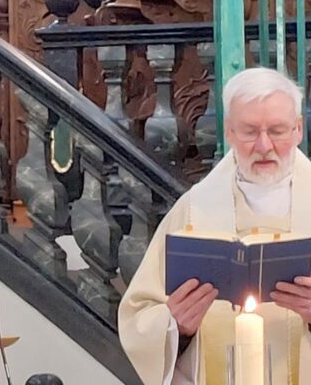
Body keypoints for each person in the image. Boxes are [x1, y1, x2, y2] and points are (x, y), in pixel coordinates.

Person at [119, 68, 311, 385]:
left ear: (298, 130)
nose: (264, 145)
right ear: (229, 132)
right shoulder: (194, 211)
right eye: (250, 132)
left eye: (277, 131)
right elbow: (138, 316)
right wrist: (175, 326)